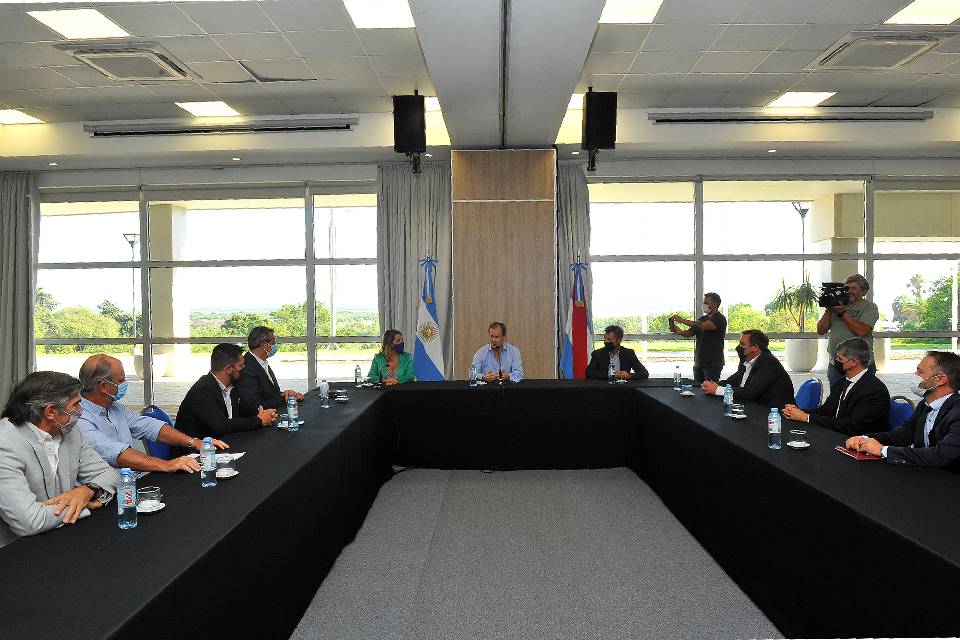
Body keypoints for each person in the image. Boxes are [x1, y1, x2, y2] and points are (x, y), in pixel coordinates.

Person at [0, 371, 119, 548]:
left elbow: (110, 474)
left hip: (65, 539)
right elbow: (30, 522)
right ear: (51, 412)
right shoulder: (5, 444)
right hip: (17, 551)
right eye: (76, 404)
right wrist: (83, 504)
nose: (81, 410)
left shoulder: (69, 431)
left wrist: (87, 490)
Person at [77, 354, 227, 473]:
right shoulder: (80, 417)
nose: (125, 384)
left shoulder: (115, 408)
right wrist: (167, 465)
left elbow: (149, 426)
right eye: (121, 381)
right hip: (106, 491)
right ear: (103, 386)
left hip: (130, 479)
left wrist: (194, 442)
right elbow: (114, 452)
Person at [845, 351, 960, 470]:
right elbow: (902, 435)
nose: (915, 375)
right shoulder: (925, 405)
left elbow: (940, 456)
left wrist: (883, 450)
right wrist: (864, 439)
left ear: (940, 380)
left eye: (920, 372)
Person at [783, 337, 889, 435]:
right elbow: (826, 411)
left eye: (840, 359)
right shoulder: (841, 383)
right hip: (837, 433)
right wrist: (798, 412)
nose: (836, 362)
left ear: (853, 362)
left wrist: (806, 417)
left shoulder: (875, 390)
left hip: (859, 441)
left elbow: (852, 426)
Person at [175, 344, 278, 439]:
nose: (244, 368)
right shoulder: (202, 391)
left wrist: (263, 413)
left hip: (225, 442)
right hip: (195, 450)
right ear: (229, 369)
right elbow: (221, 425)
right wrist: (258, 420)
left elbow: (243, 410)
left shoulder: (232, 386)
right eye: (241, 366)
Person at [701, 329, 795, 408]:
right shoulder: (748, 360)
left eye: (742, 344)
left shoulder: (769, 363)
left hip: (776, 413)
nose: (738, 347)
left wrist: (717, 390)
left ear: (755, 347)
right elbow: (731, 382)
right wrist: (713, 385)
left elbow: (750, 392)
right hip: (754, 407)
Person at [816, 274, 879, 386]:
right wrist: (829, 309)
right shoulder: (837, 305)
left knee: (861, 394)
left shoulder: (870, 307)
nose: (849, 291)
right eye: (847, 288)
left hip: (860, 365)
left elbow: (862, 331)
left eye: (853, 288)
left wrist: (842, 313)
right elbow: (821, 330)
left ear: (864, 291)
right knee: (836, 395)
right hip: (836, 364)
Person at [238, 326, 303, 417]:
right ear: (264, 345)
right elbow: (255, 404)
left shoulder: (262, 362)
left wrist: (285, 394)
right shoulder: (247, 367)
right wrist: (287, 399)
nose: (275, 346)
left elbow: (269, 394)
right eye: (273, 343)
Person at [671, 292, 728, 383]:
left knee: (710, 388)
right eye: (703, 303)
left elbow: (703, 326)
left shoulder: (720, 318)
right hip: (699, 362)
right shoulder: (702, 319)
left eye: (706, 303)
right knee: (697, 388)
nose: (704, 305)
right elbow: (690, 333)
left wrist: (681, 320)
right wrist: (680, 332)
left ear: (715, 304)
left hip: (713, 364)